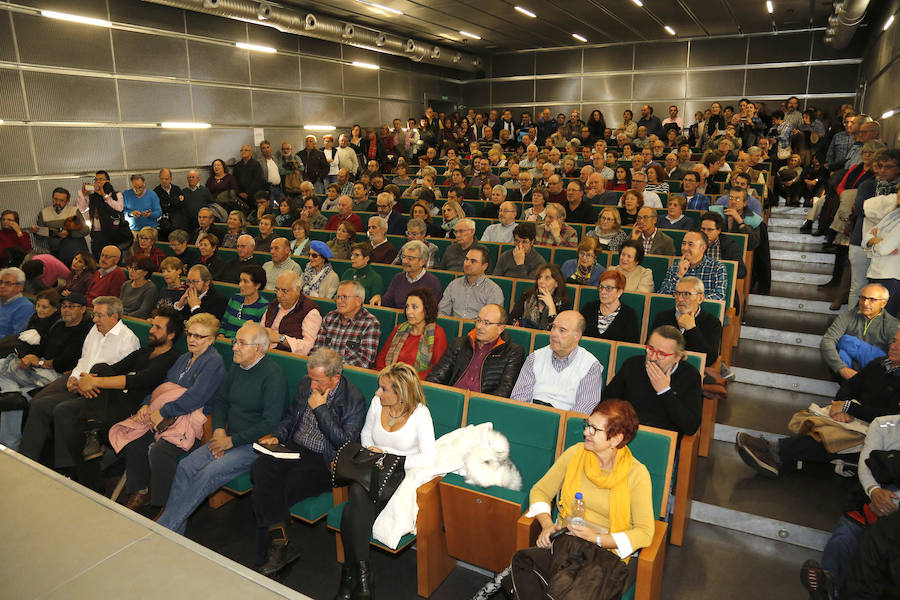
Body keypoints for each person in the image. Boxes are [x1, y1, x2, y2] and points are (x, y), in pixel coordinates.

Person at [505, 400, 654, 600]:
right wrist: (547, 525)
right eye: (587, 425)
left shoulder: (637, 474)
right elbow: (540, 490)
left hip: (603, 554)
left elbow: (644, 532)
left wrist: (596, 538)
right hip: (566, 543)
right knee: (522, 561)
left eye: (594, 429)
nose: (586, 432)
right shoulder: (576, 454)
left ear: (616, 438)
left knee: (564, 589)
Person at [157, 322, 288, 535]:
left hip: (254, 445)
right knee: (186, 467)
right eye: (235, 341)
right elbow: (221, 401)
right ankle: (174, 531)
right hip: (227, 437)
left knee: (207, 474)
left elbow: (270, 422)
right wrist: (218, 429)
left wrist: (231, 441)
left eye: (241, 343)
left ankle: (164, 530)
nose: (234, 347)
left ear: (259, 349)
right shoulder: (237, 367)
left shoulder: (273, 376)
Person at [251, 348, 366, 574]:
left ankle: (273, 549)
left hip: (325, 460)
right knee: (259, 469)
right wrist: (278, 436)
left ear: (335, 378)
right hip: (295, 447)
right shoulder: (306, 383)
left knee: (277, 488)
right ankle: (281, 544)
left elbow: (345, 444)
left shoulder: (353, 398)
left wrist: (321, 409)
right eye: (311, 378)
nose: (312, 385)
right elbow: (291, 417)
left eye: (318, 381)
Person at [737, 328, 900, 480]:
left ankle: (774, 450)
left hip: (882, 432)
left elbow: (891, 419)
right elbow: (851, 385)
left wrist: (849, 408)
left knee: (830, 437)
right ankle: (781, 461)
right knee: (813, 422)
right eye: (894, 341)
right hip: (854, 416)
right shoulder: (879, 364)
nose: (894, 346)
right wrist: (841, 408)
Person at [334, 362, 437, 599]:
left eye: (383, 389)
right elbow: (366, 434)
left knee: (351, 508)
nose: (377, 393)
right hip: (373, 471)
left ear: (401, 393)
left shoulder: (420, 414)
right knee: (356, 497)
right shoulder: (376, 403)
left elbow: (428, 457)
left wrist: (392, 459)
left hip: (402, 475)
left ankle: (350, 575)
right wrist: (372, 450)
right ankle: (362, 575)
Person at [111, 312, 226, 514]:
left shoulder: (213, 362)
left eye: (199, 336)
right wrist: (147, 404)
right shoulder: (184, 358)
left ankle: (167, 505)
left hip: (193, 422)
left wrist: (163, 411)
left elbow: (196, 397)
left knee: (160, 451)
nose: (192, 339)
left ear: (211, 339)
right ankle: (141, 491)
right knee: (135, 440)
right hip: (168, 416)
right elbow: (163, 387)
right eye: (190, 334)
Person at [18, 296, 140, 469]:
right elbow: (83, 360)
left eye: (99, 315)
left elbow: (124, 379)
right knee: (40, 405)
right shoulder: (94, 331)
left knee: (62, 410)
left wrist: (88, 384)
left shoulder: (128, 339)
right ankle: (25, 460)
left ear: (114, 316)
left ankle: (65, 469)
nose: (95, 320)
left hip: (100, 395)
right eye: (94, 315)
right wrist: (74, 378)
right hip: (80, 385)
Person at [71, 308, 183, 488]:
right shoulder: (145, 352)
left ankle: (92, 429)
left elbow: (139, 380)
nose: (151, 330)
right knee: (100, 369)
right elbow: (114, 369)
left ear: (171, 335)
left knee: (81, 423)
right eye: (152, 325)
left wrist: (93, 382)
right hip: (121, 403)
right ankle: (91, 480)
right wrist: (86, 380)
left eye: (157, 328)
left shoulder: (173, 358)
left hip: (139, 413)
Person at [0, 292, 92, 451]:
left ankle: (10, 440)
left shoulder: (84, 332)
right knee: (13, 395)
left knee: (5, 371)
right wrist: (31, 356)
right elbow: (42, 347)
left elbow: (65, 363)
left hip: (56, 374)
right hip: (38, 369)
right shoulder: (59, 326)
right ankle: (9, 442)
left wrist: (40, 362)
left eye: (72, 306)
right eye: (64, 306)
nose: (66, 310)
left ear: (83, 309)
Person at [603, 325, 702, 436]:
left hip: (663, 439)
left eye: (661, 354)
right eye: (650, 349)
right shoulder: (632, 365)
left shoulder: (690, 376)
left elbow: (691, 426)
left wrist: (665, 391)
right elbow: (607, 400)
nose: (653, 358)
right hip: (625, 433)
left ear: (678, 357)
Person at [510, 310, 603, 412]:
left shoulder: (590, 366)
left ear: (577, 336)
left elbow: (582, 411)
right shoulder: (535, 358)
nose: (554, 334)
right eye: (553, 327)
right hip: (530, 415)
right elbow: (518, 400)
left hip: (565, 419)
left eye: (562, 330)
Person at [426, 303, 525, 398]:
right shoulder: (459, 344)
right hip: (452, 398)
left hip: (482, 405)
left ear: (501, 328)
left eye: (486, 323)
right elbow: (437, 374)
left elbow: (504, 390)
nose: (479, 326)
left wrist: (479, 404)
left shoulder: (513, 352)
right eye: (478, 320)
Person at [820, 284, 899, 380]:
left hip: (875, 373)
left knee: (845, 340)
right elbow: (827, 341)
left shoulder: (892, 324)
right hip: (848, 369)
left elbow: (895, 356)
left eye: (872, 299)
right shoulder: (847, 316)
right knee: (841, 353)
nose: (865, 303)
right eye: (863, 298)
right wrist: (842, 368)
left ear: (884, 303)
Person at [375, 288, 447, 378]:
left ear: (426, 309)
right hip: (389, 379)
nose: (408, 311)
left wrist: (408, 380)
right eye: (407, 307)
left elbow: (437, 369)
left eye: (414, 307)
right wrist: (387, 376)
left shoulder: (437, 333)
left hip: (416, 383)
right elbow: (382, 357)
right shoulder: (399, 329)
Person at [650, 277, 722, 366]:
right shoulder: (663, 317)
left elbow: (709, 360)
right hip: (661, 366)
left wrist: (691, 329)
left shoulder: (712, 323)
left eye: (687, 294)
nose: (680, 299)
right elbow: (649, 348)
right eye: (677, 294)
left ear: (700, 298)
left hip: (693, 369)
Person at [312, 281, 380, 368]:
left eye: (344, 297)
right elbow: (317, 349)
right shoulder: (330, 317)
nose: (339, 301)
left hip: (349, 374)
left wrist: (332, 368)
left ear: (358, 301)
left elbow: (365, 362)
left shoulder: (370, 323)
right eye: (338, 297)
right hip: (323, 370)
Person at [261, 271, 321, 355]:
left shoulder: (310, 311)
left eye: (284, 291)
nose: (279, 295)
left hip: (287, 357)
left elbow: (309, 346)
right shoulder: (273, 305)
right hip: (264, 351)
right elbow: (262, 329)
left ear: (297, 290)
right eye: (277, 290)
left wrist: (281, 339)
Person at [658, 231, 728, 301]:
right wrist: (679, 275)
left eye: (690, 244)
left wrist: (690, 300)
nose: (685, 248)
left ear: (703, 248)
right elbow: (662, 295)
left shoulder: (717, 267)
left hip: (703, 308)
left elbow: (719, 296)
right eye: (683, 243)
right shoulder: (675, 266)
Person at [438, 246, 504, 319]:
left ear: (484, 266)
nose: (467, 264)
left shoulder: (493, 290)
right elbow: (442, 313)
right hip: (453, 325)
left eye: (473, 261)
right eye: (466, 259)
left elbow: (492, 320)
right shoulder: (453, 285)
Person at [376, 240, 443, 309]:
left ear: (422, 262)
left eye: (410, 258)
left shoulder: (433, 283)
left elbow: (431, 311)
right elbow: (386, 302)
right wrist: (379, 298)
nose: (405, 261)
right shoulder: (398, 278)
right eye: (404, 257)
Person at [31, 187, 89, 265]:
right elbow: (40, 236)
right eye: (55, 199)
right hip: (56, 252)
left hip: (75, 251)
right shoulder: (44, 213)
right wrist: (35, 231)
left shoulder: (73, 211)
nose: (57, 202)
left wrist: (68, 233)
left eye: (61, 200)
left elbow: (85, 230)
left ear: (67, 201)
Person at [580, 270, 640, 343]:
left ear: (619, 292)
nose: (603, 292)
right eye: (601, 287)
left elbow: (631, 345)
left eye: (609, 288)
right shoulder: (589, 308)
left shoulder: (629, 314)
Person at [509, 264, 572, 331]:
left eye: (547, 278)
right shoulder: (527, 297)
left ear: (556, 283)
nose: (541, 281)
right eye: (539, 278)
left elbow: (557, 332)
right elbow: (510, 321)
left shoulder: (563, 304)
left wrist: (551, 307)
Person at [219, 264, 269, 340]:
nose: (240, 285)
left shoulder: (264, 306)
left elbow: (256, 335)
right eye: (240, 281)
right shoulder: (235, 298)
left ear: (257, 285)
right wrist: (221, 335)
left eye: (245, 281)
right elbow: (224, 323)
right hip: (224, 341)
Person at [0, 267, 34, 337]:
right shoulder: (2, 300)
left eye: (8, 283)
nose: (2, 286)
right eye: (0, 282)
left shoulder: (25, 307)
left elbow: (16, 337)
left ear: (20, 287)